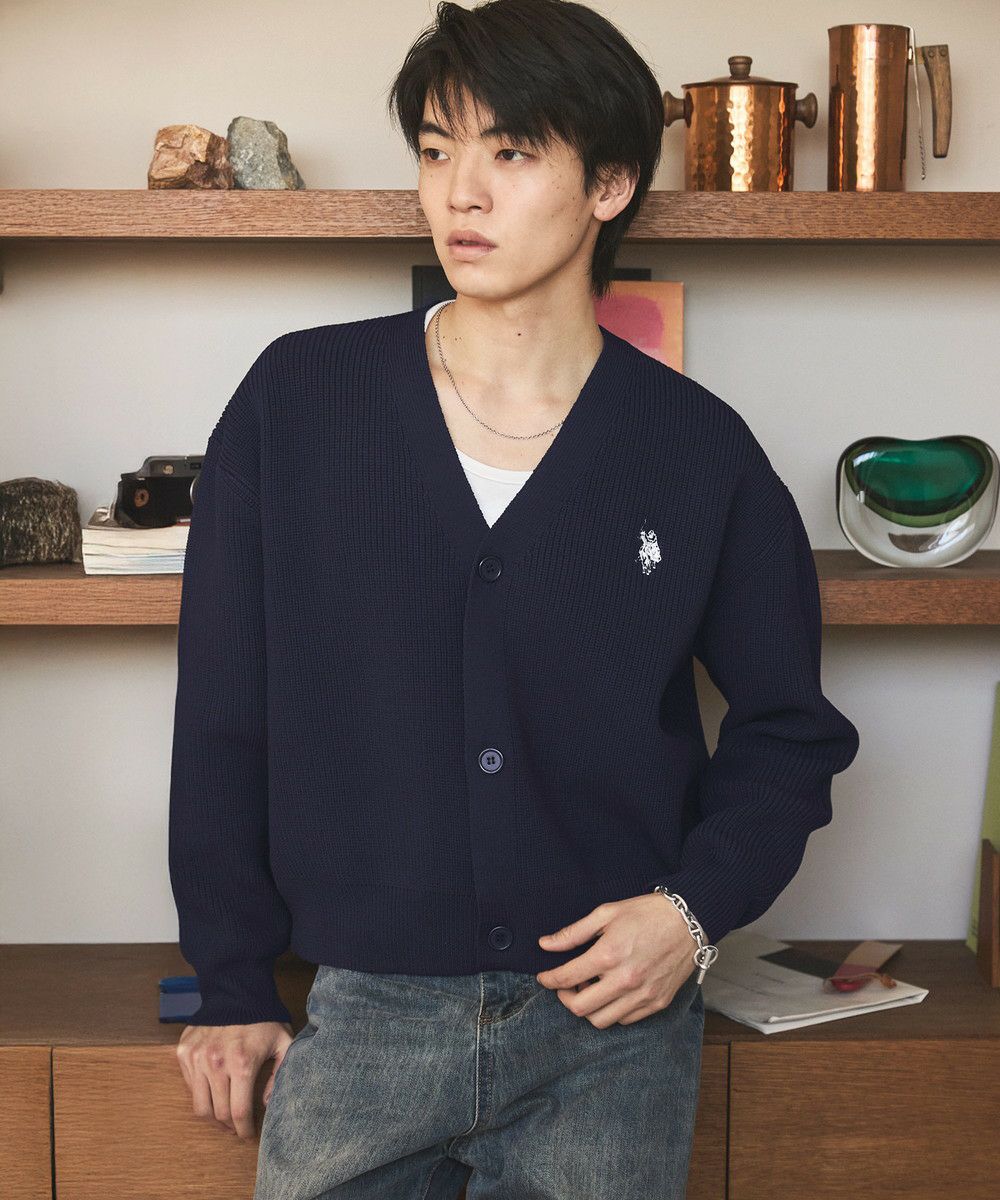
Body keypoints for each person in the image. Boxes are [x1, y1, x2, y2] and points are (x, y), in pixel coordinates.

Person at [169, 2, 861, 1197]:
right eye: (437, 150)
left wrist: (691, 915)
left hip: (609, 1028)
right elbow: (226, 710)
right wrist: (229, 982)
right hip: (365, 1019)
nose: (461, 193)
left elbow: (789, 733)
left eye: (511, 151)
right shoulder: (299, 400)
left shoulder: (697, 450)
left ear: (609, 185)